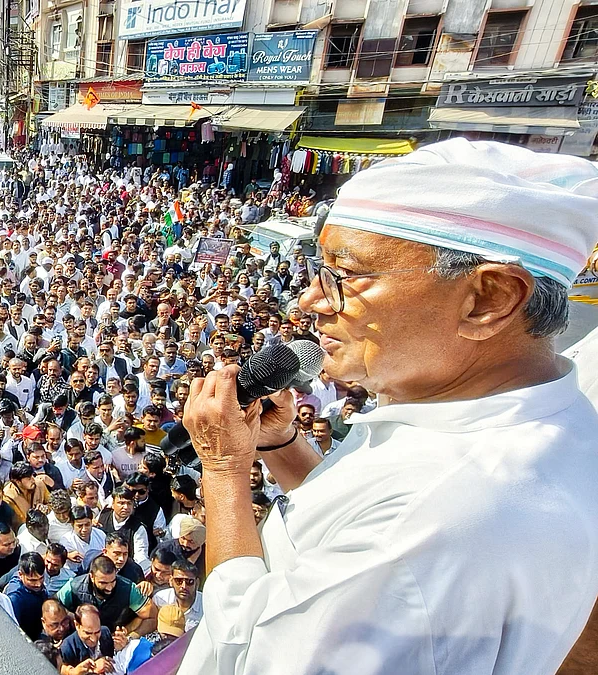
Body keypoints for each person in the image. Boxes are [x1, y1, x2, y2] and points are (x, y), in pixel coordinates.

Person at [178, 139, 598, 674]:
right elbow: (349, 527)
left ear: (488, 299)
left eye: (346, 274)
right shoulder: (537, 421)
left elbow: (247, 650)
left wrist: (223, 469)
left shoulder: (436, 519)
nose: (308, 300)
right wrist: (283, 449)